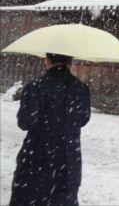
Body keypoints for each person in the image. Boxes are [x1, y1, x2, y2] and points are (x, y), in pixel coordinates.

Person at [10, 53, 91, 206]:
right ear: (70, 61)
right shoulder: (81, 89)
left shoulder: (35, 86)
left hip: (37, 158)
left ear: (47, 60)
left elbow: (25, 122)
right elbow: (83, 119)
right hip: (68, 160)